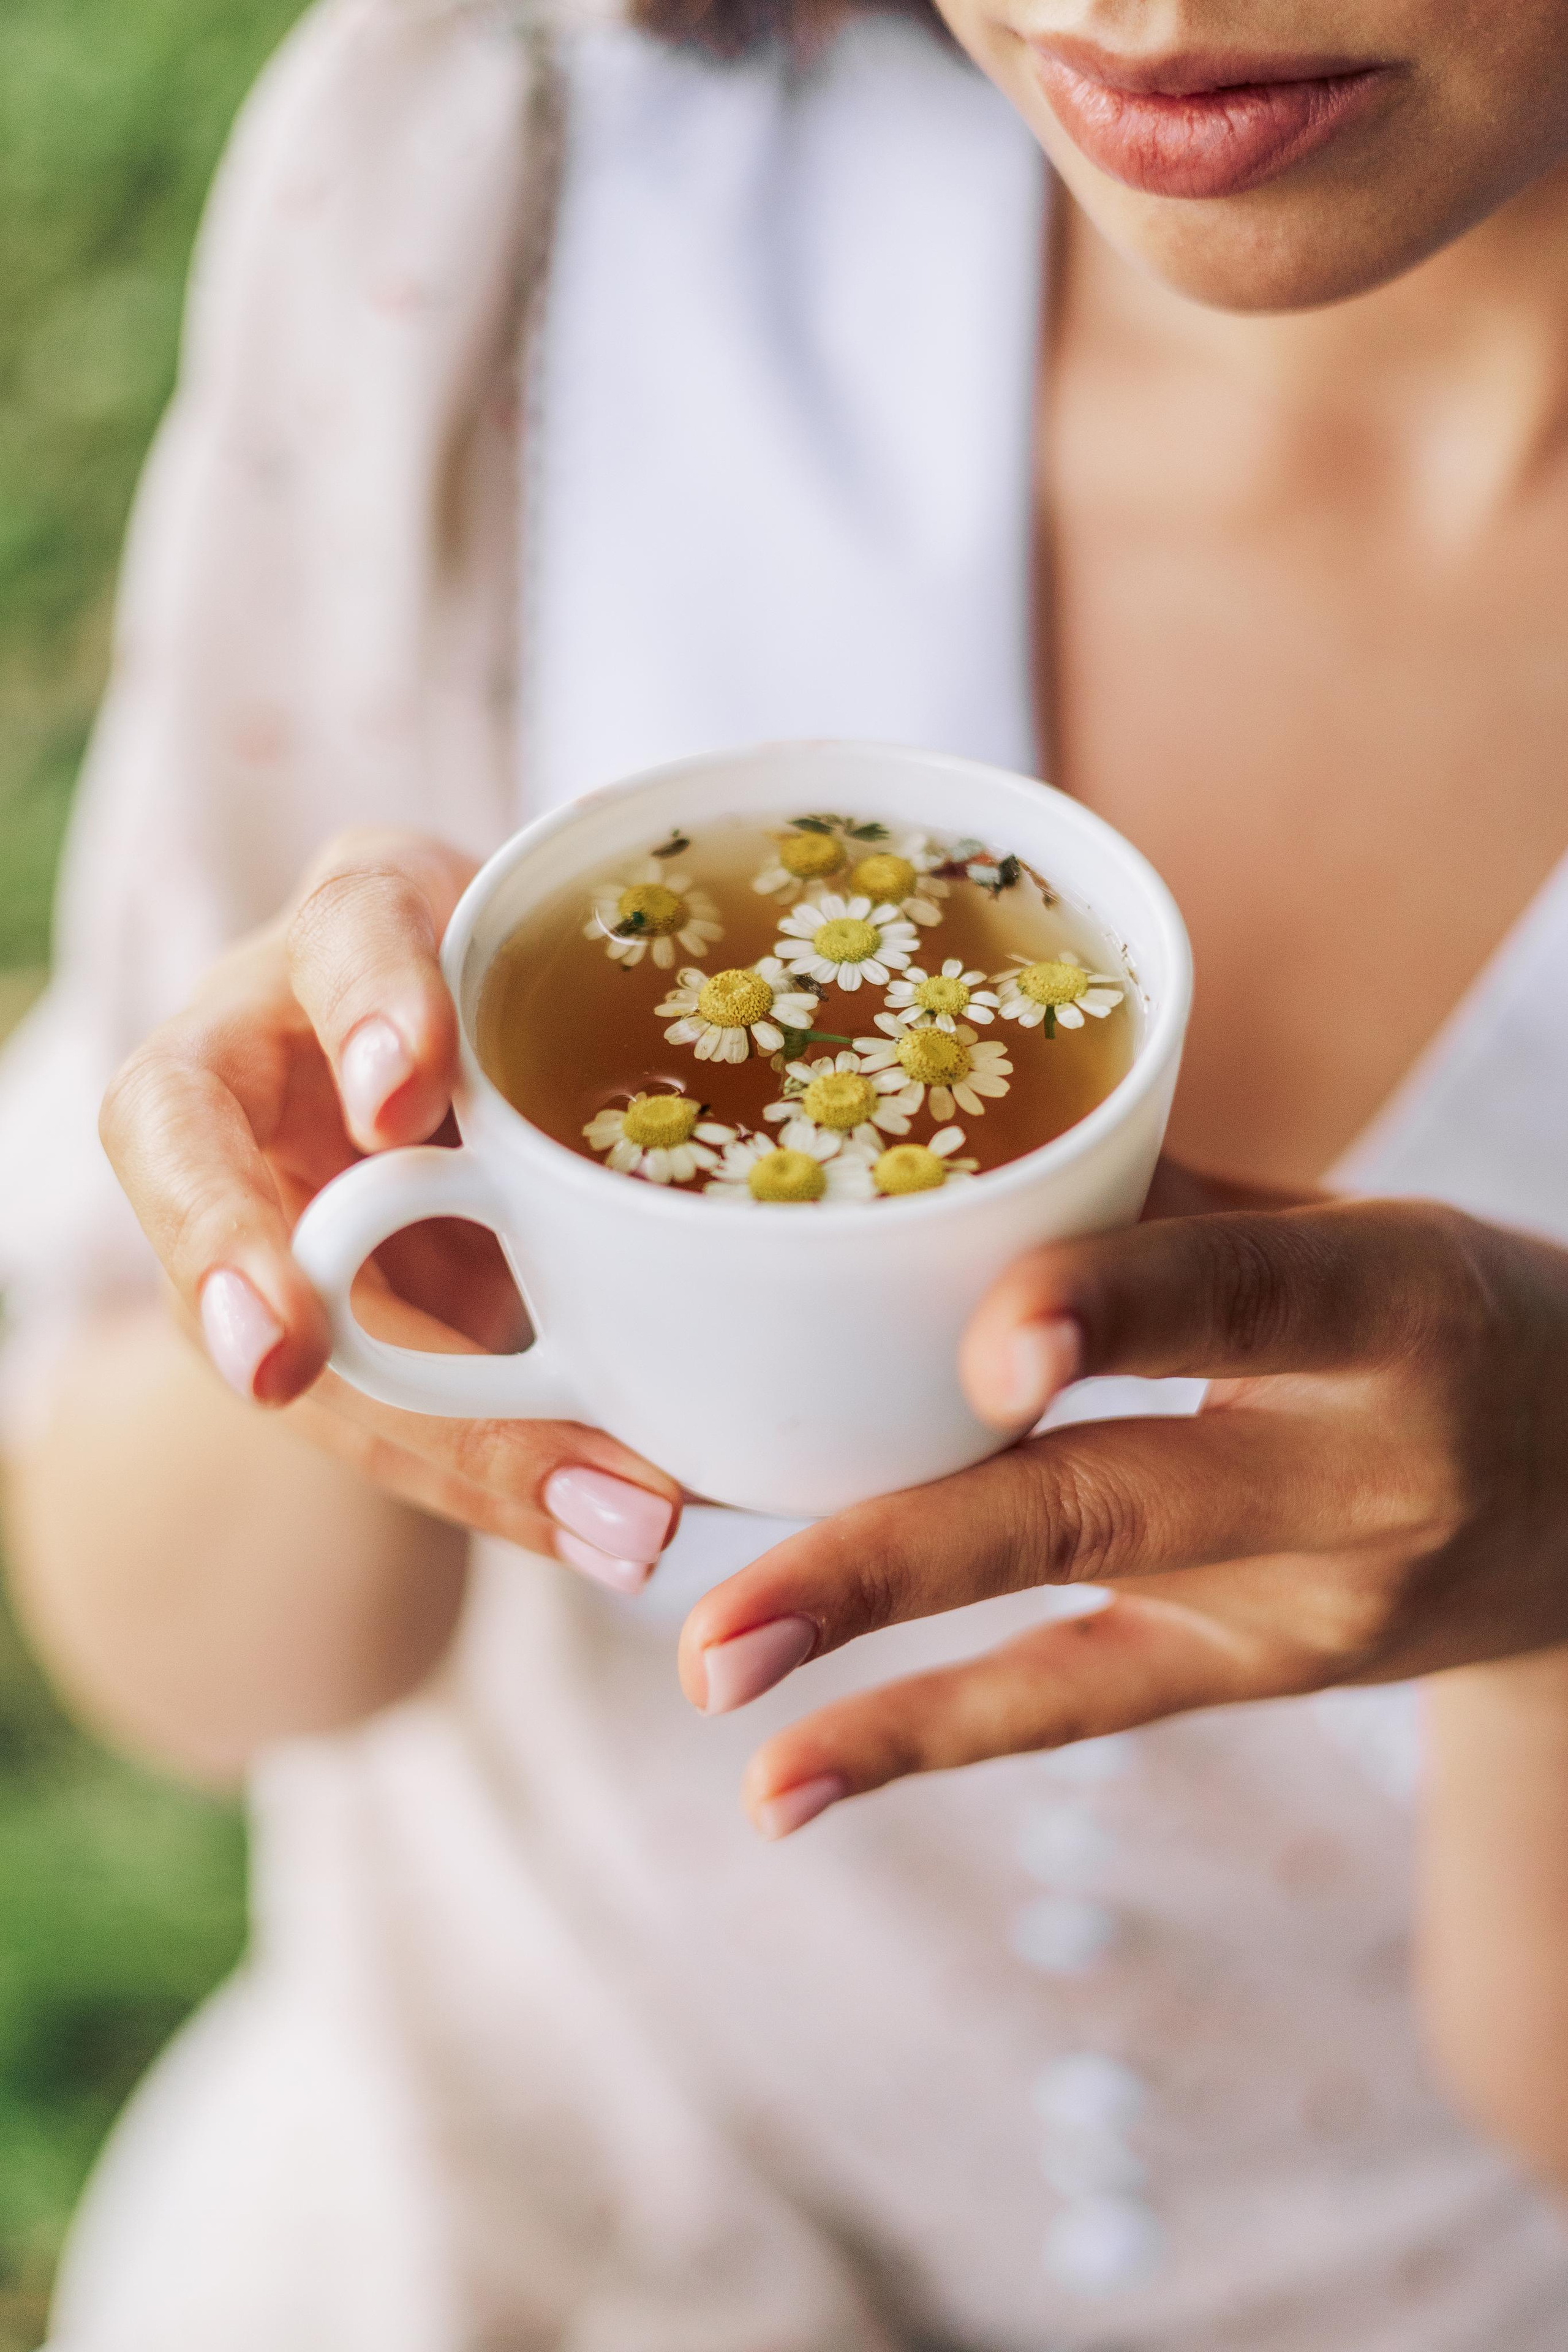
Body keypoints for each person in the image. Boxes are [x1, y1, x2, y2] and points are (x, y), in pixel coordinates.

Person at [3, 0, 1568, 2341]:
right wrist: (369, 1277)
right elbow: (189, 1658)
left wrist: (1547, 1615)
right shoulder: (499, 196)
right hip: (514, 2217)